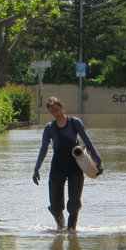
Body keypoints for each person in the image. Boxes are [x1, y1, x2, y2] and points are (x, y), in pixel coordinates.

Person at [33, 96, 102, 231]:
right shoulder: (49, 128)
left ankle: (72, 230)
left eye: (56, 110)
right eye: (52, 112)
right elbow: (44, 149)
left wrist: (97, 159)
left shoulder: (74, 122)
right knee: (55, 205)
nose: (55, 113)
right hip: (58, 165)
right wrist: (36, 168)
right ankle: (60, 227)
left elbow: (87, 140)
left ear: (62, 107)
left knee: (74, 203)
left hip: (75, 164)